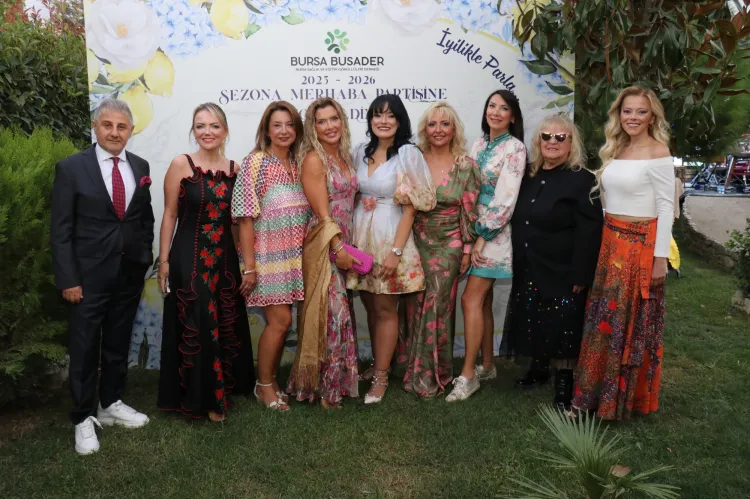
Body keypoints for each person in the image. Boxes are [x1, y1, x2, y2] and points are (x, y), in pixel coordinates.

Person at [51, 98, 154, 455]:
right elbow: (61, 230)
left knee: (117, 341)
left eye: (121, 126)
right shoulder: (71, 168)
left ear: (131, 130)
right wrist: (68, 279)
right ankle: (82, 416)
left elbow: (143, 218)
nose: (114, 132)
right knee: (84, 346)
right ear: (95, 127)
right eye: (107, 125)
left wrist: (144, 256)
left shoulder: (139, 166)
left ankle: (110, 402)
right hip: (86, 278)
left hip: (128, 274)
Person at [572, 86, 674, 420]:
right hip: (610, 244)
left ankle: (618, 400)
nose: (633, 117)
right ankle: (592, 395)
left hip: (638, 249)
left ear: (652, 117)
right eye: (627, 111)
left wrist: (660, 258)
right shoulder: (617, 148)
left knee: (625, 325)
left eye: (641, 112)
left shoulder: (658, 151)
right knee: (602, 321)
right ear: (619, 114)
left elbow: (666, 207)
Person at [156, 103, 254, 421]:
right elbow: (169, 214)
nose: (207, 132)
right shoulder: (181, 164)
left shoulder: (236, 169)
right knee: (198, 321)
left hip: (224, 258)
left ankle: (221, 389)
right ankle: (205, 399)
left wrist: (245, 262)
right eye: (200, 126)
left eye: (214, 126)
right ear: (193, 131)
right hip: (189, 257)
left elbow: (239, 221)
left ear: (225, 131)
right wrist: (164, 262)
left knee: (222, 320)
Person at [500, 115, 603, 411]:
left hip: (563, 268)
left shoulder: (582, 179)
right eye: (546, 136)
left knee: (563, 324)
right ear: (538, 140)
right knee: (532, 317)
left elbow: (590, 231)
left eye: (560, 137)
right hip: (529, 263)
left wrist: (581, 273)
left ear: (571, 143)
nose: (552, 142)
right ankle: (538, 369)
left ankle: (564, 382)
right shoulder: (529, 175)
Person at [348, 94, 436, 404]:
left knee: (386, 308)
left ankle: (382, 377)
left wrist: (395, 253)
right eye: (377, 115)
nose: (383, 121)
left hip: (390, 237)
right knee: (371, 305)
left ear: (400, 121)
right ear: (370, 119)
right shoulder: (360, 151)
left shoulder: (407, 154)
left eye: (390, 116)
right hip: (362, 237)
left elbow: (412, 208)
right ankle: (377, 364)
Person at [394, 101, 479, 398]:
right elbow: (402, 201)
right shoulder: (413, 159)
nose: (438, 130)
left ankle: (432, 374)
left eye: (445, 124)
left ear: (454, 129)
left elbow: (470, 211)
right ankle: (410, 366)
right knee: (414, 303)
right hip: (415, 240)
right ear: (425, 129)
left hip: (449, 244)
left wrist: (467, 249)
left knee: (437, 303)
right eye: (432, 124)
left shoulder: (466, 166)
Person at [447, 90, 526, 402]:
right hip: (472, 228)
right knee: (482, 300)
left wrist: (483, 235)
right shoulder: (479, 144)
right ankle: (488, 365)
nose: (495, 112)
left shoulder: (515, 148)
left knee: (470, 299)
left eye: (503, 108)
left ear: (512, 116)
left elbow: (506, 199)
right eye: (491, 106)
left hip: (495, 234)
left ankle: (468, 376)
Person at [231, 101, 310, 411]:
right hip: (266, 259)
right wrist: (249, 268)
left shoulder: (299, 163)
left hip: (295, 258)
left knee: (283, 323)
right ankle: (263, 386)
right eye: (277, 125)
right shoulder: (256, 163)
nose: (284, 131)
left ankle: (272, 381)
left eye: (290, 124)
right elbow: (244, 218)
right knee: (280, 321)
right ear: (266, 130)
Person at [286, 98, 360, 409]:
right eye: (322, 121)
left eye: (334, 119)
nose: (329, 126)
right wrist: (338, 248)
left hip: (344, 241)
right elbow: (323, 214)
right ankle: (324, 389)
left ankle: (334, 383)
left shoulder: (343, 157)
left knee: (337, 314)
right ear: (313, 127)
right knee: (331, 315)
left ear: (342, 121)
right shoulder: (315, 160)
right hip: (324, 244)